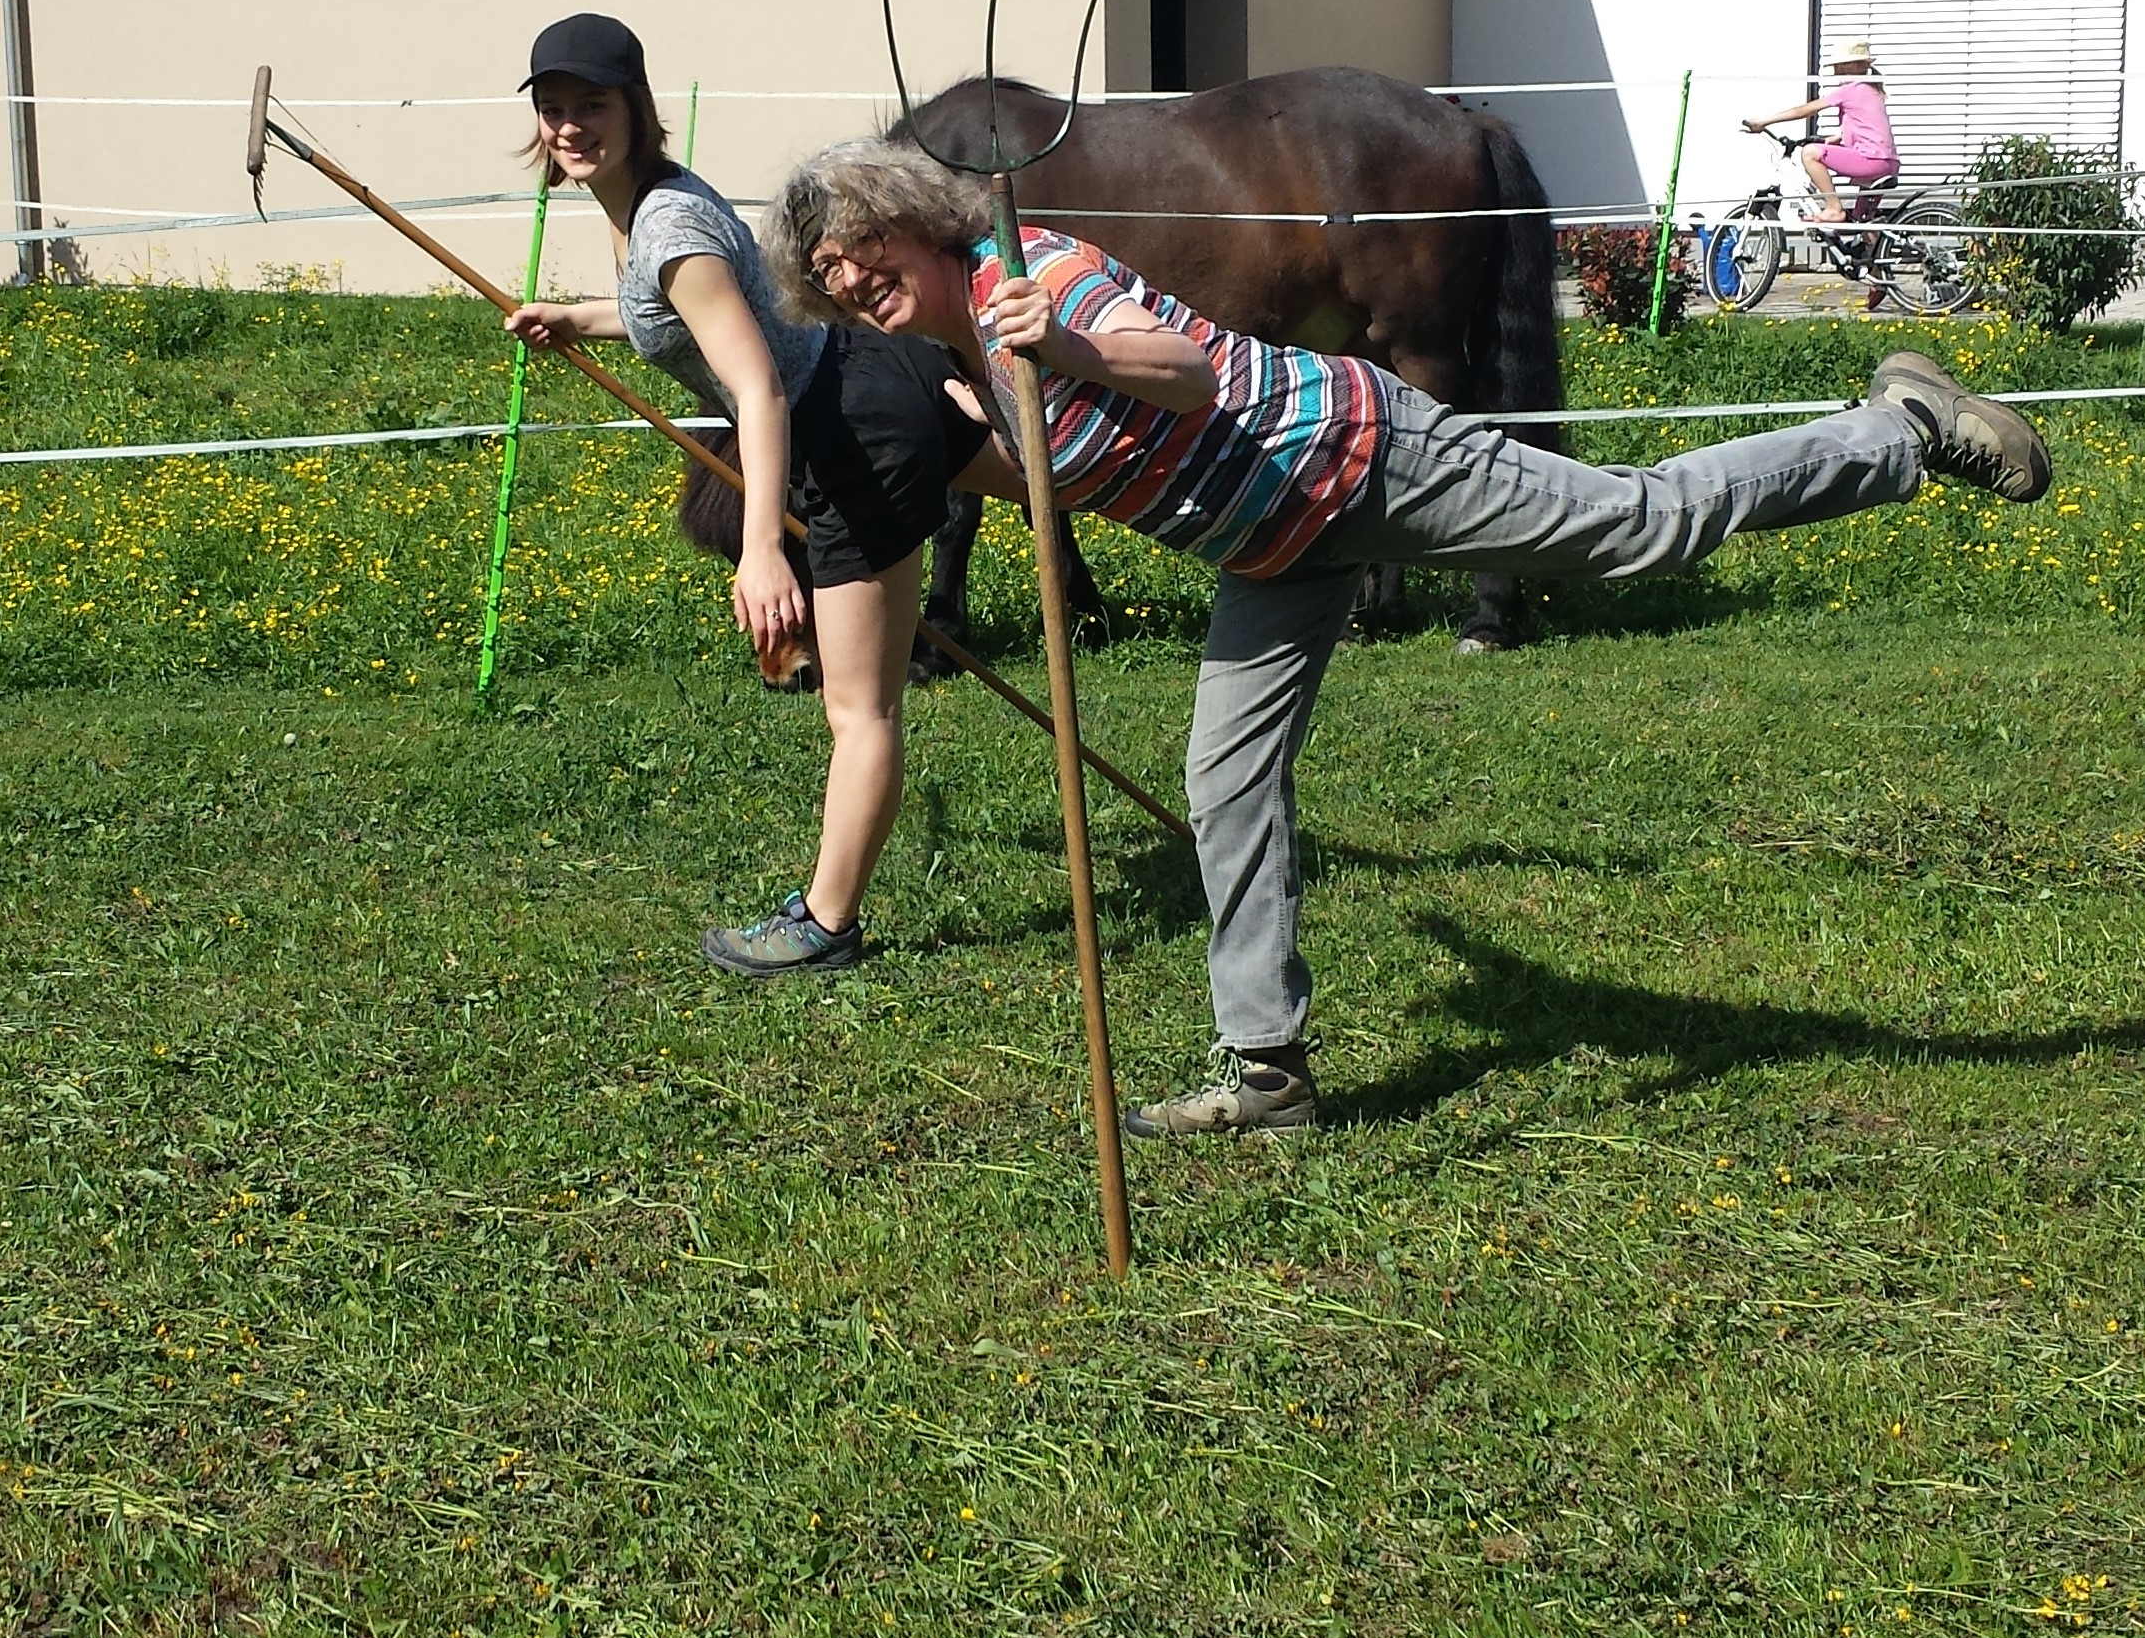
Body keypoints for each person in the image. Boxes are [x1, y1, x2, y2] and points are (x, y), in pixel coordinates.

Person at [771, 134, 2051, 1139]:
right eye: (823, 273)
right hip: (1271, 547)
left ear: (911, 220)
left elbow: (1179, 370)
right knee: (1224, 782)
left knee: (1644, 524)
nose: (844, 277)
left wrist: (1066, 344)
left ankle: (1896, 428)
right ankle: (1267, 1071)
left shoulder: (1029, 279)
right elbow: (1075, 470)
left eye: (854, 245)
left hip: (1360, 456)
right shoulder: (967, 356)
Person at [504, 16, 998, 976]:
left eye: (591, 106)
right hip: (865, 380)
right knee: (1066, 476)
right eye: (553, 108)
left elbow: (757, 387)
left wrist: (765, 546)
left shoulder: (667, 226)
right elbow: (698, 311)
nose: (569, 127)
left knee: (861, 709)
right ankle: (1239, 500)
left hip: (845, 424)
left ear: (637, 109)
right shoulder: (651, 207)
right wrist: (585, 316)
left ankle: (824, 926)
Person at [1746, 48, 1901, 222]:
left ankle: (1833, 207)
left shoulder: (1851, 89)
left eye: (1842, 65)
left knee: (1810, 153)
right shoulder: (1872, 90)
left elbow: (1804, 110)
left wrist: (1763, 122)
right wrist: (1839, 137)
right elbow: (1868, 125)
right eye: (1836, 65)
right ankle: (1875, 247)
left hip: (1871, 160)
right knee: (1861, 223)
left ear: (1858, 66)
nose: (1836, 70)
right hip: (1888, 162)